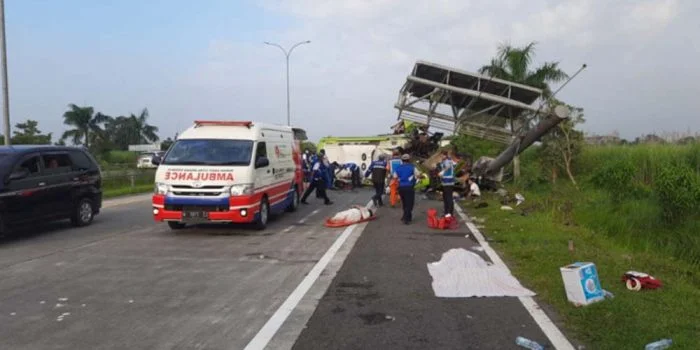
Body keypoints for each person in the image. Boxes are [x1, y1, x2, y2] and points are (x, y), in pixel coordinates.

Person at [393, 154, 420, 224]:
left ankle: (408, 216)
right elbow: (418, 175)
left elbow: (395, 177)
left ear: (402, 160)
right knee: (410, 204)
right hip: (409, 187)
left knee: (404, 203)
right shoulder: (412, 167)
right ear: (409, 160)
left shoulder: (398, 168)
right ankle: (406, 218)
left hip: (401, 188)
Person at [437, 151, 456, 216]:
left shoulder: (448, 161)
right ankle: (446, 212)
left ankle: (449, 213)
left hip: (449, 182)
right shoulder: (444, 161)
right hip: (445, 182)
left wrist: (442, 172)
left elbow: (447, 167)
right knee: (445, 197)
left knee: (448, 197)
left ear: (445, 155)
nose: (441, 157)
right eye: (441, 155)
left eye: (442, 155)